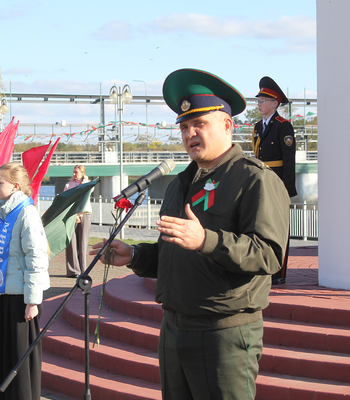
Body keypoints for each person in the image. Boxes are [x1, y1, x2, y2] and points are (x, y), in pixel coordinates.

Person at [91, 68, 290, 400]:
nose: (190, 133)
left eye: (200, 124)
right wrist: (136, 256)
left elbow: (268, 254)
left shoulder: (255, 180)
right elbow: (173, 252)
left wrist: (206, 240)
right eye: (184, 126)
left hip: (222, 333)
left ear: (228, 125)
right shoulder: (182, 182)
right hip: (174, 328)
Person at [0, 163, 50, 400]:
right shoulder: (5, 212)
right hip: (8, 292)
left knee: (21, 360)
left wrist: (32, 301)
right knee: (6, 355)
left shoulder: (26, 212)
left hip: (23, 298)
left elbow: (36, 257)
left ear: (15, 186)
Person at [253, 76, 297, 285]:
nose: (259, 104)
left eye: (263, 100)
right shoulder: (257, 127)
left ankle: (279, 271)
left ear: (275, 103)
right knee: (262, 225)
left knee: (279, 227)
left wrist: (287, 188)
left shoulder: (283, 126)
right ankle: (265, 266)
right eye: (259, 100)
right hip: (262, 182)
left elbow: (289, 160)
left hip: (278, 182)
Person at [63, 165, 92, 278]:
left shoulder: (87, 184)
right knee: (71, 243)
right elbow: (66, 199)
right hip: (71, 215)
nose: (74, 174)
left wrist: (84, 180)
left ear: (83, 173)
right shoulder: (68, 185)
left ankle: (83, 270)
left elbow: (86, 193)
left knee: (83, 243)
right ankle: (73, 270)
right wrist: (74, 214)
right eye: (74, 172)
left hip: (85, 214)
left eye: (77, 172)